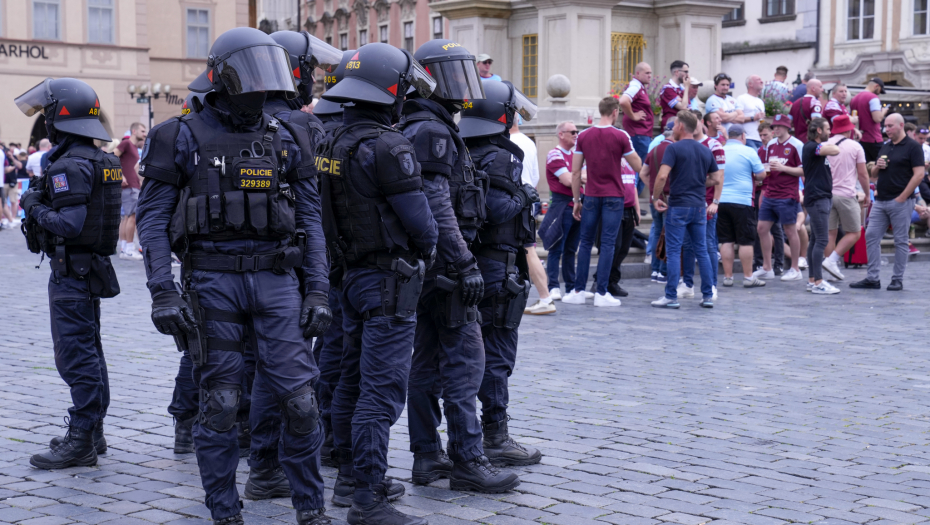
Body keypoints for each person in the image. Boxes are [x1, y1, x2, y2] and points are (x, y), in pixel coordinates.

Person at [136, 28, 334, 525]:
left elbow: (311, 219)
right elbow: (153, 220)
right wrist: (163, 291)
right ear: (223, 76)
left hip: (276, 280)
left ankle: (311, 511)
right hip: (211, 279)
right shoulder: (177, 135)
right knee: (221, 402)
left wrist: (318, 291)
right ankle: (224, 512)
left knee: (302, 402)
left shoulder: (287, 136)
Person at [318, 42, 439, 525]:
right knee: (381, 389)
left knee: (350, 380)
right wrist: (427, 253)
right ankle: (367, 498)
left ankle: (350, 479)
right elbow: (422, 222)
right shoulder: (390, 146)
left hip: (348, 276)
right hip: (389, 279)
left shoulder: (331, 141)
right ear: (391, 92)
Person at [398, 39, 520, 495]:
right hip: (446, 266)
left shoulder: (421, 122)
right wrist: (463, 260)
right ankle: (468, 459)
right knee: (466, 361)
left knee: (425, 362)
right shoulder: (431, 129)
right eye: (452, 74)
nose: (462, 86)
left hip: (427, 266)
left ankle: (427, 457)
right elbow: (436, 204)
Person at [15, 78, 121, 469]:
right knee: (90, 351)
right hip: (87, 270)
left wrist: (33, 205)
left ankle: (81, 439)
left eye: (47, 116)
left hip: (71, 272)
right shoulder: (96, 158)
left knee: (76, 356)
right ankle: (94, 432)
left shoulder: (69, 165)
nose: (45, 123)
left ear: (61, 119)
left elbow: (70, 224)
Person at [460, 80, 543, 470]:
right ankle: (495, 435)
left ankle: (469, 436)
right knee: (497, 353)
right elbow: (495, 210)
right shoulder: (497, 158)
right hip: (496, 264)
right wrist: (525, 197)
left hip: (477, 262)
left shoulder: (463, 149)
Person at [306, 48, 354, 474]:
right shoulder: (342, 128)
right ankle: (333, 441)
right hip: (342, 258)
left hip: (318, 252)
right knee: (339, 350)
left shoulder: (315, 124)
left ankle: (320, 434)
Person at [564, 96, 642, 307]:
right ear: (615, 112)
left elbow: (575, 172)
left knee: (586, 242)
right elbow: (637, 165)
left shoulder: (584, 136)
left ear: (600, 111)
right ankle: (601, 292)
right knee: (607, 244)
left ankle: (579, 291)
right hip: (614, 197)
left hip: (591, 195)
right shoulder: (620, 136)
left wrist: (576, 199)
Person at [651, 110, 722, 309]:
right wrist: (699, 182)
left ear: (681, 126)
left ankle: (671, 296)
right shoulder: (705, 150)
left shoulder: (673, 149)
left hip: (679, 205)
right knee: (703, 251)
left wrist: (656, 197)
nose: (672, 128)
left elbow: (662, 176)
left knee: (674, 251)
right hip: (699, 206)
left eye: (674, 125)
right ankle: (707, 295)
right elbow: (716, 178)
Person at [850, 113, 925, 291]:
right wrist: (877, 167)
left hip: (901, 201)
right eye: (885, 126)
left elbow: (919, 174)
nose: (886, 129)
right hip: (881, 200)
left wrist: (902, 197)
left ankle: (897, 279)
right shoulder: (885, 146)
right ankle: (873, 278)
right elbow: (874, 175)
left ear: (901, 126)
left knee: (900, 241)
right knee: (871, 236)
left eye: (890, 126)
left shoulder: (913, 147)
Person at [510, 117, 555, 315]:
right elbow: (536, 176)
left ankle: (545, 297)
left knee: (528, 251)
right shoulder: (528, 141)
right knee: (528, 250)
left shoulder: (508, 141)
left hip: (514, 199)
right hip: (527, 200)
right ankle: (543, 297)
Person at [753, 113, 805, 282]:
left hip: (787, 193)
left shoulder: (797, 145)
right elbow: (768, 167)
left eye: (778, 126)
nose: (775, 129)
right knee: (761, 228)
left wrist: (783, 168)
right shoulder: (771, 145)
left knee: (790, 230)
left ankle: (795, 268)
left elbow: (804, 170)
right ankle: (767, 267)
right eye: (774, 126)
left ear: (786, 127)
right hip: (770, 192)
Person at [679, 111, 725, 299]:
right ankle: (688, 284)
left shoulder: (714, 145)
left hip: (706, 202)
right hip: (688, 202)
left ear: (701, 123)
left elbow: (720, 176)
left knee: (707, 245)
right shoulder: (682, 145)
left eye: (696, 122)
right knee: (687, 245)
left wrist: (715, 201)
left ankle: (711, 285)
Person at [717, 124, 766, 287]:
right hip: (743, 201)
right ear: (743, 137)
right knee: (746, 241)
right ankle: (748, 277)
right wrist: (755, 177)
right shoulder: (749, 151)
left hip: (721, 200)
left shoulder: (720, 150)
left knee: (726, 240)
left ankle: (728, 277)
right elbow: (761, 174)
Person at [822, 115, 869, 281]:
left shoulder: (823, 145)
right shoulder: (855, 146)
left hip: (826, 194)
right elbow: (863, 174)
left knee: (830, 234)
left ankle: (831, 271)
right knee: (855, 232)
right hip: (846, 195)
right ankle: (832, 261)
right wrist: (867, 194)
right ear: (849, 129)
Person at [801, 118, 842, 294]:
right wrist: (835, 144)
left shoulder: (816, 149)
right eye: (827, 129)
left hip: (820, 197)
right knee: (822, 240)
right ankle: (818, 282)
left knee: (816, 240)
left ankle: (812, 280)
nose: (830, 132)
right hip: (818, 198)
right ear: (818, 130)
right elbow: (835, 149)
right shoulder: (812, 147)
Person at [543, 121, 583, 298]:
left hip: (577, 204)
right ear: (561, 134)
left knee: (571, 249)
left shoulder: (576, 155)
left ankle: (570, 286)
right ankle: (553, 286)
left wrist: (579, 177)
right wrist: (581, 176)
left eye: (577, 131)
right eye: (572, 131)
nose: (576, 134)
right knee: (556, 247)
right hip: (562, 206)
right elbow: (567, 180)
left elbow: (576, 177)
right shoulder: (554, 154)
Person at [642, 122, 674, 283]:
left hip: (654, 199)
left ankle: (655, 270)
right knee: (668, 233)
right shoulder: (673, 149)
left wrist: (653, 190)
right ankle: (663, 270)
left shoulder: (654, 149)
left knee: (656, 233)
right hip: (668, 198)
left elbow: (643, 173)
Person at [114, 122, 146, 261]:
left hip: (132, 185)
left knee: (127, 217)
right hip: (129, 185)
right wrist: (121, 176)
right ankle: (128, 248)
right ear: (134, 131)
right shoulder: (126, 144)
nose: (144, 134)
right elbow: (113, 156)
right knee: (132, 216)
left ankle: (124, 247)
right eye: (142, 131)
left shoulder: (132, 146)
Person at [618, 62, 655, 162]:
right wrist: (633, 116)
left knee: (641, 168)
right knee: (641, 169)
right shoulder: (636, 87)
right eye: (647, 73)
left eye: (650, 73)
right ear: (637, 74)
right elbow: (623, 101)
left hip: (641, 134)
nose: (650, 76)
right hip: (639, 134)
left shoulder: (639, 86)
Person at [850, 77, 888, 162]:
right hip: (873, 139)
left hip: (859, 139)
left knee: (865, 168)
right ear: (876, 86)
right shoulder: (873, 98)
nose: (879, 94)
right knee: (882, 165)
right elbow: (877, 118)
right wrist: (883, 112)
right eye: (879, 91)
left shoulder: (854, 98)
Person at [736, 75, 766, 149]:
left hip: (760, 138)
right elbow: (737, 119)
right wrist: (754, 118)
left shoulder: (760, 101)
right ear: (750, 84)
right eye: (758, 79)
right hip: (748, 138)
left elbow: (761, 121)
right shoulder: (741, 98)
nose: (762, 81)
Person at [658, 60, 690, 129]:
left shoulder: (682, 89)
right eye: (686, 72)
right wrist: (687, 87)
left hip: (682, 126)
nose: (688, 75)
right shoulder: (667, 88)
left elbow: (689, 108)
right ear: (677, 72)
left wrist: (682, 101)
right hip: (671, 126)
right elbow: (684, 107)